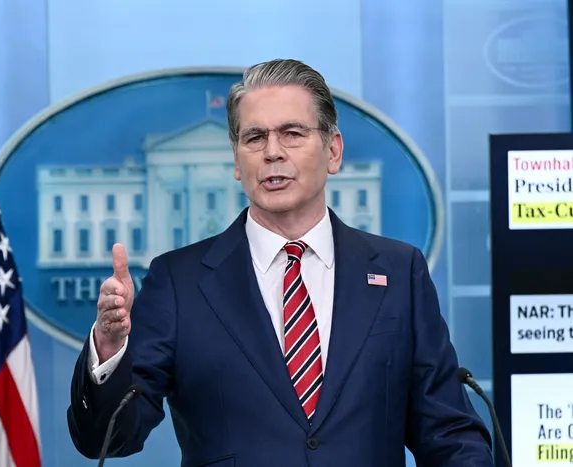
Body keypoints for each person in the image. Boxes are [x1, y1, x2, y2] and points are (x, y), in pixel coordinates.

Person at [67, 58, 494, 466]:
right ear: (237, 161)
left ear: (333, 151)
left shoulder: (399, 272)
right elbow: (109, 437)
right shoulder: (179, 282)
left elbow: (449, 433)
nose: (272, 152)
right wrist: (110, 347)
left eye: (292, 133)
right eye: (254, 138)